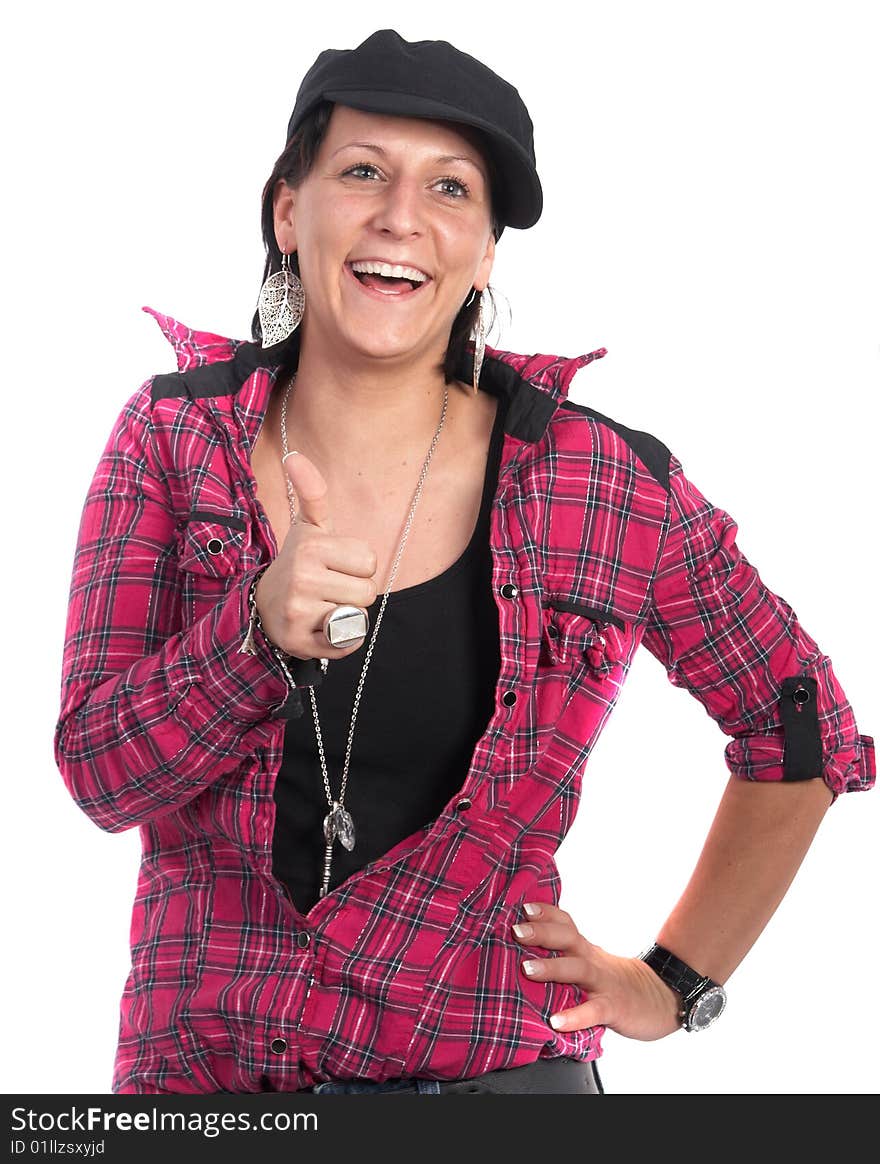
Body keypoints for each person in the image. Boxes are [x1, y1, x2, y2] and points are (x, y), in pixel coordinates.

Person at [53, 28, 874, 1096]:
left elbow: (800, 727)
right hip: (208, 1095)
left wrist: (674, 985)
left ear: (484, 252)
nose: (401, 216)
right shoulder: (173, 442)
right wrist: (249, 640)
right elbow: (97, 775)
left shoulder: (601, 482)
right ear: (287, 210)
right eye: (362, 172)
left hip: (494, 1089)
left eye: (449, 189)